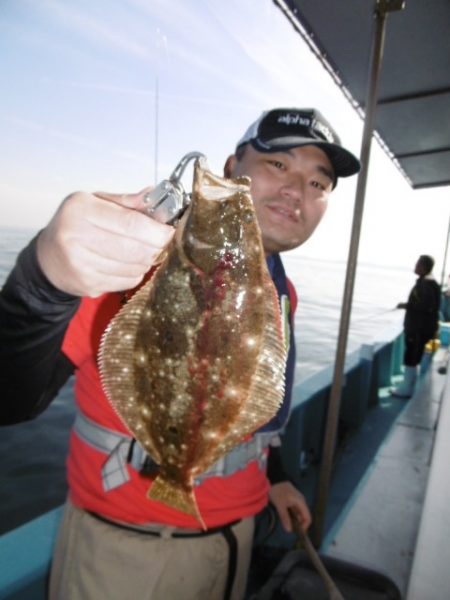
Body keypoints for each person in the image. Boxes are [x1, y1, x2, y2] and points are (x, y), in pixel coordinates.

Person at [0, 107, 360, 599]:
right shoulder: (134, 263)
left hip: (237, 541)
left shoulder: (279, 293)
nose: (297, 190)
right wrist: (43, 280)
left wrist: (276, 478)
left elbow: (241, 408)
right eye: (279, 165)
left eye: (318, 183)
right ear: (233, 170)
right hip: (130, 555)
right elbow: (9, 398)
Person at [392, 254, 441, 399]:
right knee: (414, 355)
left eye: (418, 264)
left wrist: (408, 306)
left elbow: (426, 306)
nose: (415, 266)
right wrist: (407, 305)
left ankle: (407, 388)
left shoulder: (425, 284)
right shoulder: (428, 282)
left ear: (424, 267)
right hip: (423, 327)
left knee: (412, 356)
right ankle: (409, 384)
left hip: (418, 329)